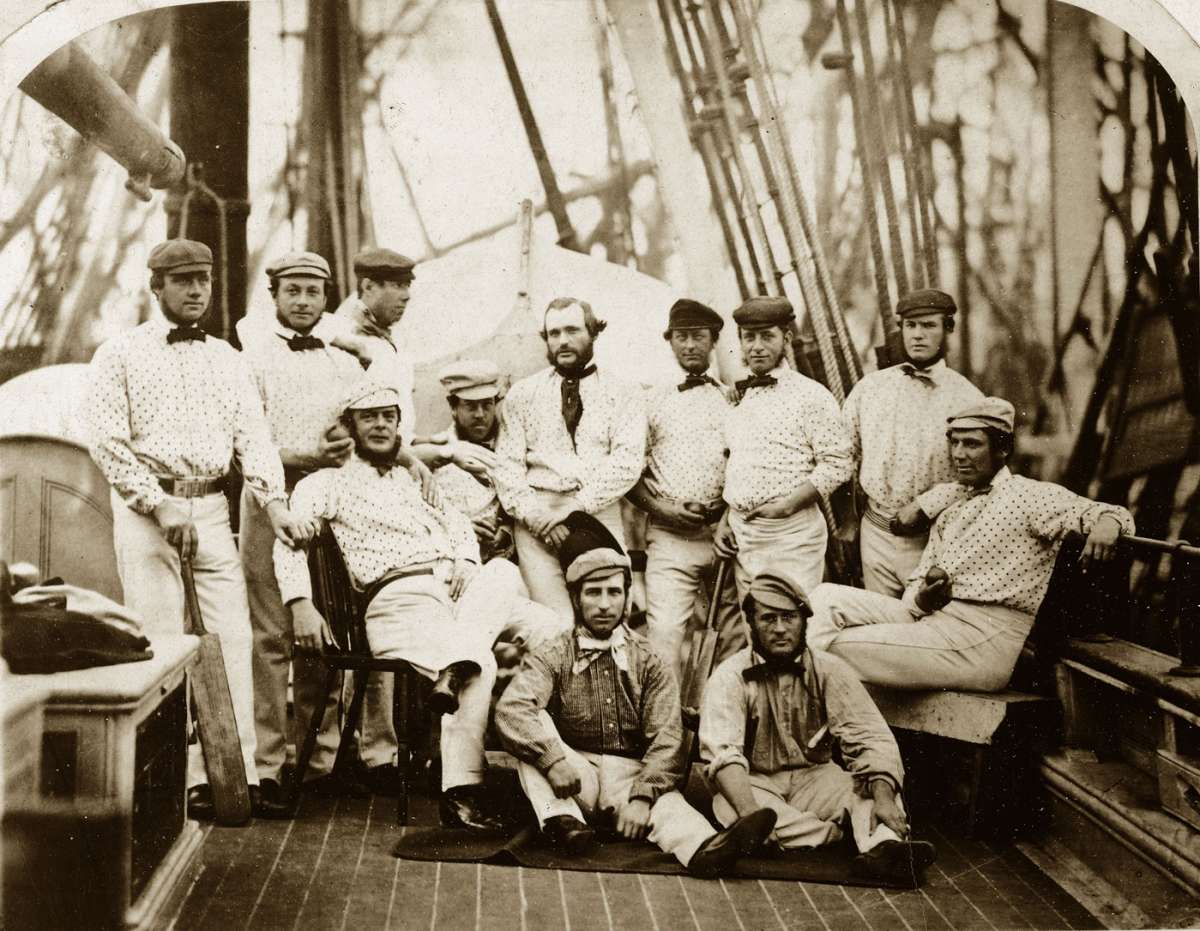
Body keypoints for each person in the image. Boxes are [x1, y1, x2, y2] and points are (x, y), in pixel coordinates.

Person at [85, 238, 308, 822]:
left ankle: (234, 774)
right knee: (164, 644)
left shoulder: (228, 359)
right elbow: (107, 443)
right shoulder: (119, 354)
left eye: (203, 280)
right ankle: (176, 782)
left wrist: (276, 504)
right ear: (155, 287)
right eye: (181, 280)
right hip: (148, 514)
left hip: (209, 510)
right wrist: (157, 507)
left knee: (232, 640)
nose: (195, 291)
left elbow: (253, 441)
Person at [274, 378, 552, 829]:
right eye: (369, 418)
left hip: (456, 592)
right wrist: (300, 602)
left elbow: (458, 525)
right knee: (480, 661)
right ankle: (461, 790)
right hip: (399, 602)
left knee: (549, 623)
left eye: (389, 417)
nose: (381, 426)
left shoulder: (410, 478)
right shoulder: (325, 483)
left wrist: (464, 560)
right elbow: (290, 541)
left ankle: (565, 770)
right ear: (350, 427)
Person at [495, 512, 777, 876]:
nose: (603, 604)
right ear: (576, 598)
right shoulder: (555, 652)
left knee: (671, 811)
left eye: (614, 592)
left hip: (631, 773)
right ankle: (564, 824)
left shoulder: (649, 659)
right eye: (593, 593)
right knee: (532, 734)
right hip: (573, 773)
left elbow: (667, 737)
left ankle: (706, 849)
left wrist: (643, 797)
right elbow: (512, 709)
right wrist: (553, 760)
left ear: (627, 598)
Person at [808, 397, 1135, 691]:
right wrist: (924, 596)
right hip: (932, 619)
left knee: (837, 647)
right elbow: (919, 592)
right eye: (955, 443)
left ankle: (784, 712)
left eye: (972, 444)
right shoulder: (953, 500)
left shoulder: (1028, 496)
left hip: (981, 640)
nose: (959, 455)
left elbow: (1107, 512)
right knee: (823, 598)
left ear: (1002, 449)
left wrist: (1108, 524)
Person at [700, 571, 937, 886]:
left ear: (805, 620)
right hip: (757, 781)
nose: (781, 629)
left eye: (789, 617)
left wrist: (881, 796)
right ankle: (842, 834)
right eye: (769, 619)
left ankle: (884, 848)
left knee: (873, 789)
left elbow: (869, 738)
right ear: (751, 624)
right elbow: (723, 754)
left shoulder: (831, 669)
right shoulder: (729, 675)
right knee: (729, 807)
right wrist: (749, 812)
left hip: (815, 777)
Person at [240, 250, 369, 815]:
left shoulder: (346, 362)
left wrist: (345, 448)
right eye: (291, 290)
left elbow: (363, 429)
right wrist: (302, 455)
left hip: (330, 509)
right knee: (269, 636)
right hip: (267, 503)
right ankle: (267, 765)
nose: (302, 301)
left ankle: (319, 762)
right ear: (275, 296)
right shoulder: (253, 358)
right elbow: (245, 443)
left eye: (312, 291)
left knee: (323, 630)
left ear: (326, 296)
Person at [494, 297, 646, 618]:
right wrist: (538, 518)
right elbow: (506, 468)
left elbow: (627, 463)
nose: (562, 341)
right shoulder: (522, 395)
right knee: (556, 624)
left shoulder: (624, 392)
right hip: (538, 525)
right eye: (554, 333)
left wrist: (574, 509)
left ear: (593, 333)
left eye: (573, 330)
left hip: (597, 514)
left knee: (606, 619)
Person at [626, 299, 742, 679]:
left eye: (698, 337)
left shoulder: (734, 400)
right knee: (664, 636)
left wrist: (726, 516)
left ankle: (719, 729)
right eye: (681, 337)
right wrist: (664, 511)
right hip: (671, 537)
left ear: (713, 341)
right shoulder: (650, 401)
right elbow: (627, 474)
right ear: (670, 342)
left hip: (725, 537)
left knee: (732, 638)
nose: (689, 345)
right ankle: (666, 735)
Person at [842, 289, 983, 596]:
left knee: (925, 628)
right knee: (879, 624)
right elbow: (844, 455)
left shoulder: (969, 399)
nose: (918, 335)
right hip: (875, 531)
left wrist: (925, 506)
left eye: (929, 326)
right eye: (911, 326)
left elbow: (982, 480)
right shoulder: (871, 388)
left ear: (948, 329)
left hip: (934, 537)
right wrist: (849, 520)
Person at [713, 297, 853, 598]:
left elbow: (838, 463)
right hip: (744, 534)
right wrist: (727, 519)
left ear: (786, 339)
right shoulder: (740, 398)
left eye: (767, 336)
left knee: (790, 625)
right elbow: (738, 466)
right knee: (755, 627)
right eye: (749, 337)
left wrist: (789, 504)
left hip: (791, 533)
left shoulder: (811, 396)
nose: (757, 346)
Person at [315, 247, 418, 444]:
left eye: (407, 285)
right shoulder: (340, 337)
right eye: (398, 285)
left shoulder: (396, 338)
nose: (407, 296)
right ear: (368, 286)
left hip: (400, 452)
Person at [414, 359, 512, 562]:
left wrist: (506, 530)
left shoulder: (511, 447)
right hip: (452, 559)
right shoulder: (435, 454)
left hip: (504, 559)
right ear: (453, 406)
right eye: (470, 406)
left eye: (487, 405)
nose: (480, 415)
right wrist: (461, 529)